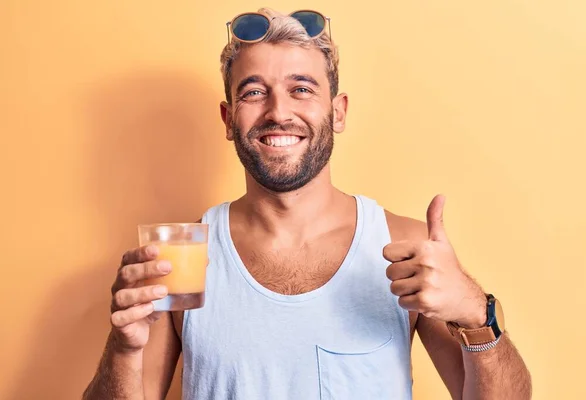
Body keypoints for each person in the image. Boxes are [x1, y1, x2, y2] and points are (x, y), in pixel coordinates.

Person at [83, 7, 531, 400]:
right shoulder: (180, 260)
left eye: (301, 89)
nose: (279, 112)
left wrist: (475, 312)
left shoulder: (403, 243)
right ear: (228, 118)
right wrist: (123, 348)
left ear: (337, 112)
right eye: (254, 92)